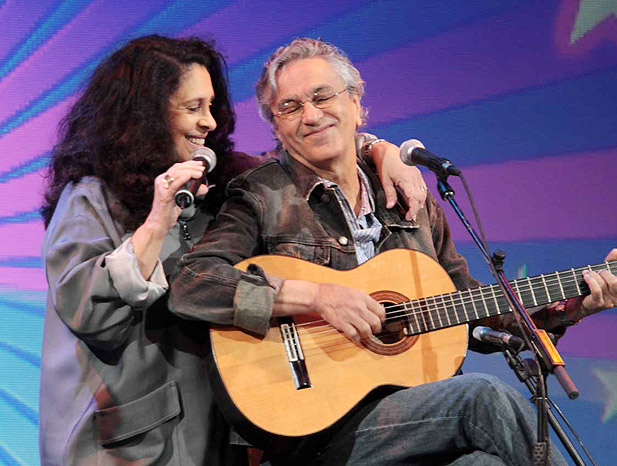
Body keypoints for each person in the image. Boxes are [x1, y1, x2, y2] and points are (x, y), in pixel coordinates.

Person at [168, 38, 617, 466]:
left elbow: (473, 305)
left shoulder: (409, 197)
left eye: (322, 96)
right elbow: (193, 285)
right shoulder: (261, 194)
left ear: (355, 103)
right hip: (315, 429)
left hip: (411, 417)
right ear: (275, 124)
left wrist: (576, 304)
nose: (310, 115)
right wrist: (314, 297)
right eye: (289, 107)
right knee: (481, 398)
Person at [39, 34, 425, 466]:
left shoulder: (217, 182)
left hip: (206, 435)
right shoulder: (90, 197)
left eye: (210, 106)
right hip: (119, 443)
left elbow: (308, 148)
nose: (208, 121)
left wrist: (376, 149)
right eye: (192, 107)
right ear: (145, 114)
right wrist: (156, 223)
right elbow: (88, 312)